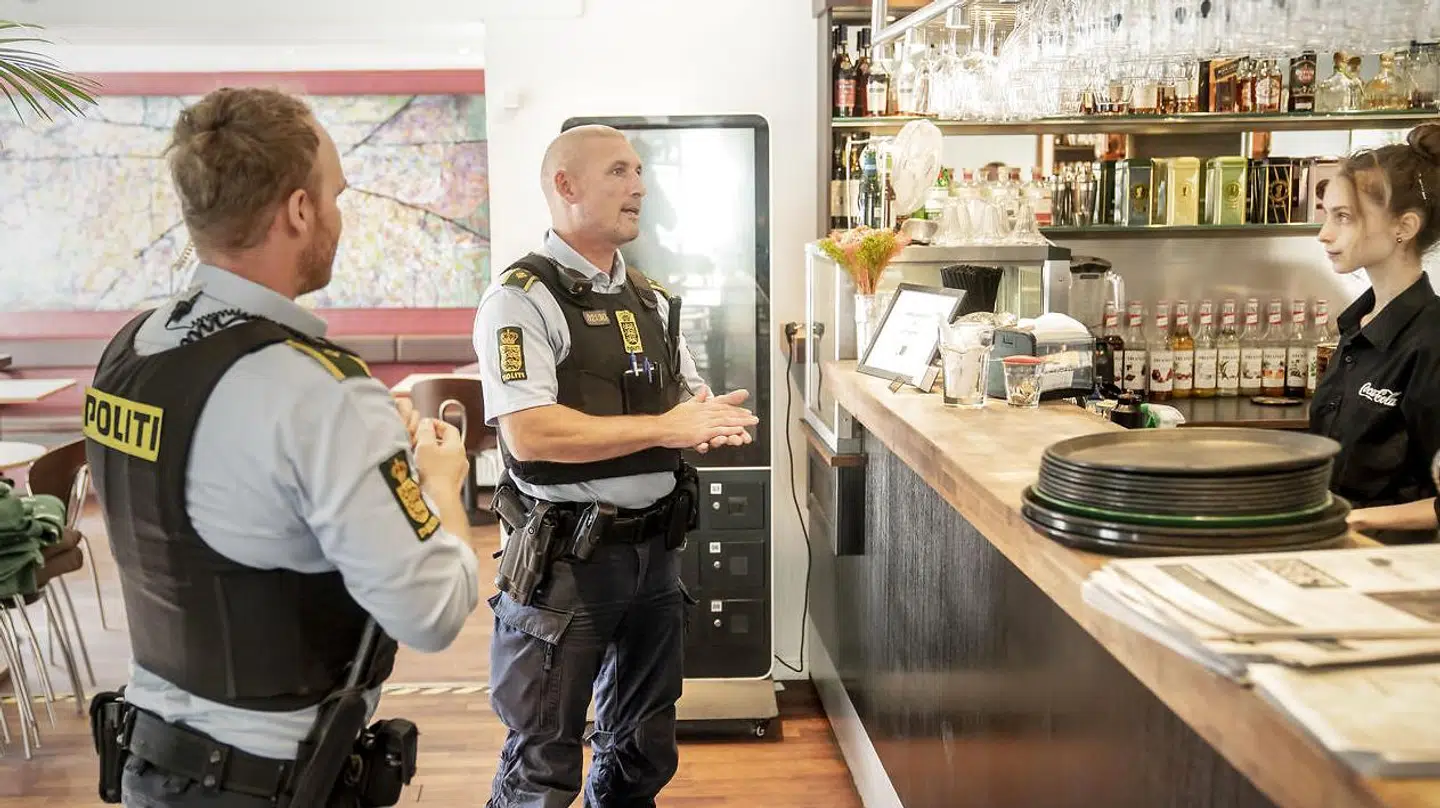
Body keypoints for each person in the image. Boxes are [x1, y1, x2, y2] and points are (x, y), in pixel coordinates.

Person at [82, 87, 482, 807]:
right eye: (336, 193)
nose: (338, 214)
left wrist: (357, 454)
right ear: (300, 210)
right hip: (268, 780)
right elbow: (431, 613)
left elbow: (217, 498)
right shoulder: (318, 391)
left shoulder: (133, 349)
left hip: (152, 760)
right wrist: (440, 482)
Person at [473, 124, 759, 808]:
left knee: (641, 749)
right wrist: (670, 426)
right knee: (541, 764)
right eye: (618, 172)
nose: (639, 186)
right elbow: (530, 432)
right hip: (566, 566)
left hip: (656, 560)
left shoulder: (652, 299)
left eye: (639, 171)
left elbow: (688, 397)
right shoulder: (519, 300)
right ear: (564, 185)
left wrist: (710, 419)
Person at [1312, 122, 1440, 543]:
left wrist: (1354, 520)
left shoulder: (1430, 342)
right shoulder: (1357, 325)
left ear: (1404, 226)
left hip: (1391, 566)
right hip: (1336, 549)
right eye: (1326, 215)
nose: (1324, 234)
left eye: (1343, 218)